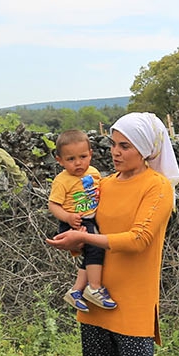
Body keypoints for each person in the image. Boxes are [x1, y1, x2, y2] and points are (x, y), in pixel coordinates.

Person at [46, 114, 179, 356]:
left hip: (134, 296)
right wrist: (73, 239)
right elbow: (89, 225)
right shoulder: (102, 183)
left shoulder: (158, 187)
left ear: (147, 150)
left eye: (124, 146)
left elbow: (138, 240)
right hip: (95, 294)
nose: (114, 153)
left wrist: (85, 240)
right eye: (113, 144)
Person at [46, 130, 115, 312]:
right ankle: (94, 287)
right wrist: (68, 217)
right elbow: (53, 205)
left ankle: (76, 291)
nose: (78, 163)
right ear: (59, 160)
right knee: (96, 249)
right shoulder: (62, 181)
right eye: (71, 159)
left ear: (90, 154)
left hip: (90, 220)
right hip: (73, 223)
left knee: (92, 254)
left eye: (83, 156)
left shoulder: (94, 173)